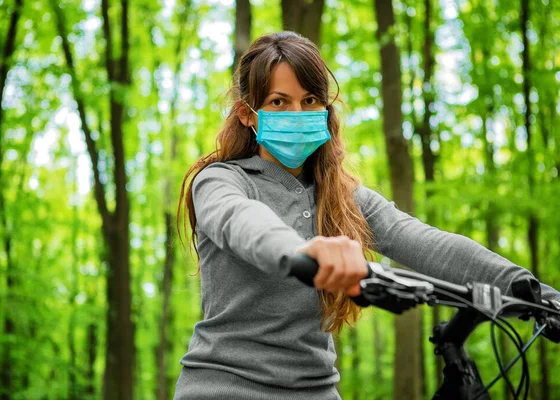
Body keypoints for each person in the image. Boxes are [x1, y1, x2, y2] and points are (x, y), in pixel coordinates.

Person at [173, 31, 560, 399]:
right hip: (222, 388)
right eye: (278, 101)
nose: (298, 111)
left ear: (325, 109)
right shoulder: (221, 180)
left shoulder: (342, 197)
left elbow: (427, 243)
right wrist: (304, 252)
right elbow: (241, 222)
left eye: (310, 100)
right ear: (247, 114)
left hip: (316, 391)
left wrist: (539, 294)